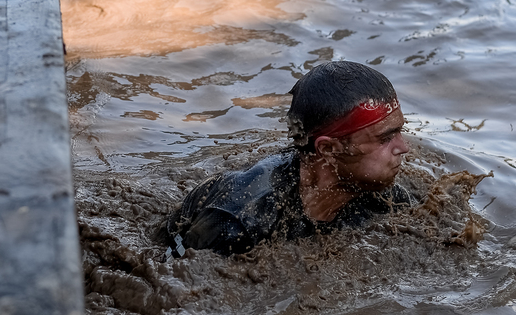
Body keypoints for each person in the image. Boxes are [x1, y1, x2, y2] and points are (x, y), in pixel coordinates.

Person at [163, 61, 412, 257]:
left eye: (400, 131)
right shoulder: (239, 219)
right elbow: (171, 291)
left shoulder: (383, 198)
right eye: (385, 138)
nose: (404, 147)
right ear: (328, 149)